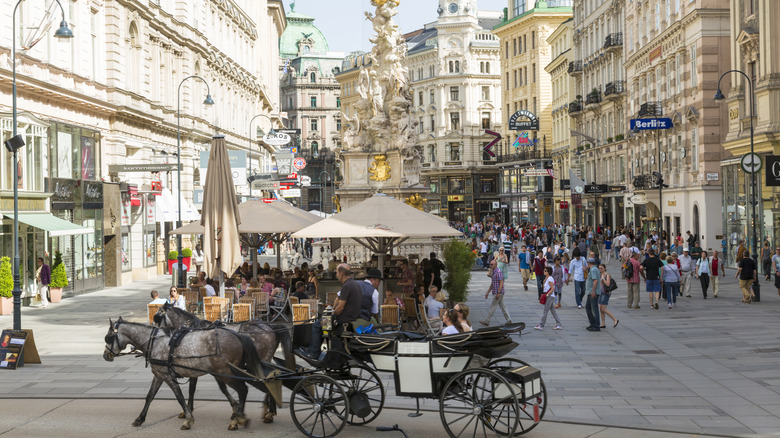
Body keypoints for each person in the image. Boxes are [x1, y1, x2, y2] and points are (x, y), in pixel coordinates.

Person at [301, 263, 363, 359]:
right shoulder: (354, 284)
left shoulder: (347, 286)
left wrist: (331, 316)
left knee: (316, 325)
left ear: (342, 273)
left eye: (337, 272)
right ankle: (313, 348)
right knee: (321, 320)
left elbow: (340, 307)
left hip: (342, 320)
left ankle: (314, 352)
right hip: (351, 317)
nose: (336, 274)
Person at [480, 259, 511, 326]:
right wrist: (487, 292)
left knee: (492, 306)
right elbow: (492, 284)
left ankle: (487, 321)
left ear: (495, 265)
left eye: (492, 264)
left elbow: (501, 282)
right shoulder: (493, 272)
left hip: (498, 292)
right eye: (490, 264)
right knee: (503, 307)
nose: (490, 265)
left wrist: (498, 293)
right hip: (496, 292)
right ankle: (509, 320)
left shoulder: (498, 272)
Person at [534, 266, 563, 331]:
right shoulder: (547, 278)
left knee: (545, 311)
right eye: (544, 270)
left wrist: (547, 294)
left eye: (545, 271)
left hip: (550, 296)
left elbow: (552, 288)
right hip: (550, 296)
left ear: (548, 272)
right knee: (553, 311)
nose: (543, 272)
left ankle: (541, 325)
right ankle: (559, 324)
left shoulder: (550, 279)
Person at [584, 258, 601, 331]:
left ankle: (596, 325)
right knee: (588, 307)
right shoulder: (594, 269)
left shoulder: (593, 270)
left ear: (589, 263)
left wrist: (593, 291)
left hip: (593, 292)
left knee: (594, 309)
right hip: (590, 292)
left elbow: (595, 281)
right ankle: (592, 323)